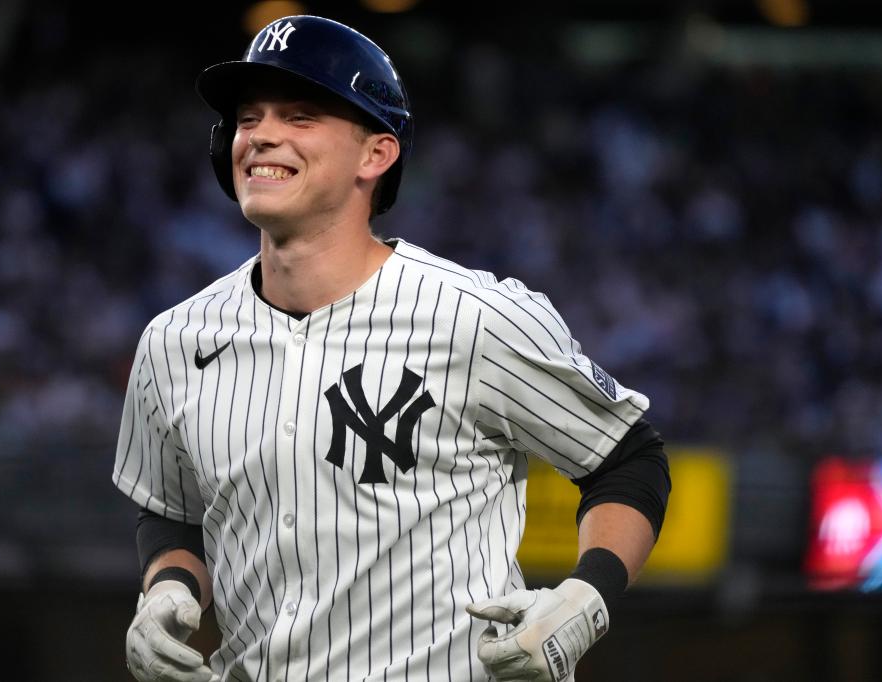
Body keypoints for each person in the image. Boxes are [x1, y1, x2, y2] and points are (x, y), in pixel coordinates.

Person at [114, 15, 671, 682]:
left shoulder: (474, 317)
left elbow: (629, 457)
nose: (261, 134)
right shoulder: (174, 342)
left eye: (299, 115)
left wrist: (589, 596)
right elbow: (171, 511)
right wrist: (167, 588)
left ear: (375, 155)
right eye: (249, 117)